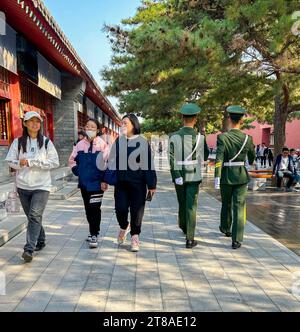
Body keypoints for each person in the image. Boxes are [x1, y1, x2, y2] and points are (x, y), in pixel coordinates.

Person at [5, 111, 59, 263]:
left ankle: (29, 249)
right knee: (32, 217)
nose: (35, 123)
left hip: (42, 186)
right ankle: (40, 239)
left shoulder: (46, 142)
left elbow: (54, 162)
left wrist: (33, 162)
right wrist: (19, 163)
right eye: (31, 121)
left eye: (38, 121)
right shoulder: (18, 142)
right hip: (23, 186)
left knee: (35, 215)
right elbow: (10, 161)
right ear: (25, 123)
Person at [103, 114, 157, 252]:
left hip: (138, 183)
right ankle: (124, 226)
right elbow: (111, 162)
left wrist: (151, 184)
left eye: (125, 123)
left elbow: (148, 164)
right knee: (120, 209)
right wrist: (105, 178)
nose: (122, 126)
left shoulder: (142, 142)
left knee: (137, 211)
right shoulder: (119, 141)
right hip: (121, 183)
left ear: (134, 124)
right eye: (122, 123)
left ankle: (135, 236)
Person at [169, 103, 209, 249]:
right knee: (191, 206)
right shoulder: (199, 137)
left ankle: (183, 226)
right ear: (196, 119)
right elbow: (205, 155)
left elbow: (171, 157)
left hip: (179, 173)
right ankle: (190, 238)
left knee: (182, 202)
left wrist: (176, 174)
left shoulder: (173, 136)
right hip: (193, 174)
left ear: (182, 118)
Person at [214, 105, 255, 250]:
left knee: (226, 203)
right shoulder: (248, 138)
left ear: (230, 119)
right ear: (242, 120)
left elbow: (219, 159)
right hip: (241, 176)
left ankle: (225, 228)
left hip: (226, 176)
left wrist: (216, 177)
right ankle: (237, 239)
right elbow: (251, 158)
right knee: (239, 206)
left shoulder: (222, 137)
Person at [69, 118, 109, 249]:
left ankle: (94, 233)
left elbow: (108, 163)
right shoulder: (79, 145)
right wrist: (78, 171)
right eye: (87, 126)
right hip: (84, 184)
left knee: (95, 209)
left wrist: (104, 180)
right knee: (87, 209)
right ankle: (93, 231)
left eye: (92, 127)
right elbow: (72, 160)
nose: (89, 129)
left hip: (97, 184)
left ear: (97, 130)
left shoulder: (103, 145)